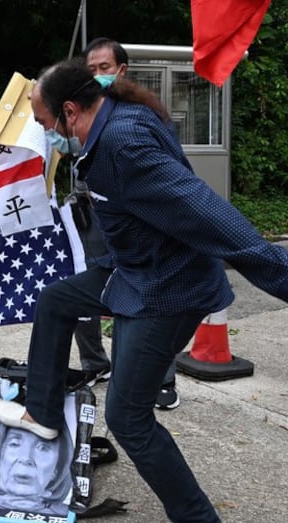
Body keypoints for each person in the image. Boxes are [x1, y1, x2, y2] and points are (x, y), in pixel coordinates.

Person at [0, 58, 288, 523]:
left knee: (127, 415)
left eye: (44, 125)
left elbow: (200, 207)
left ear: (69, 111)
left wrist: (287, 274)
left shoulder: (124, 143)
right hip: (133, 271)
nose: (46, 137)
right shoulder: (110, 114)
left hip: (168, 290)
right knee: (56, 300)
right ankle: (42, 412)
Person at [73, 37, 180, 410]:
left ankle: (161, 379)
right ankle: (95, 363)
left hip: (137, 224)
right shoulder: (78, 111)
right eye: (91, 70)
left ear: (122, 70)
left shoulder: (143, 113)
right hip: (90, 217)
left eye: (104, 68)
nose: (98, 76)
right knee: (80, 287)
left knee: (149, 295)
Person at [0, 418, 73, 517]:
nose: (26, 458)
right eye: (14, 444)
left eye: (43, 447)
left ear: (57, 468)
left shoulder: (66, 513)